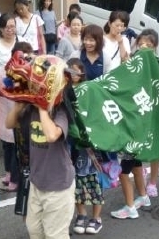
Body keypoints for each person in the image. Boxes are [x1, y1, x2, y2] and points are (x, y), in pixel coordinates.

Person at [5, 57, 75, 239]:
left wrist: (43, 108)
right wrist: (18, 106)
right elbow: (9, 124)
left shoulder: (60, 112)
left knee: (55, 235)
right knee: (34, 230)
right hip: (37, 182)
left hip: (59, 185)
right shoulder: (30, 111)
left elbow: (52, 135)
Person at [0, 13, 26, 192]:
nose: (11, 30)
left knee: (16, 135)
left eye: (13, 26)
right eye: (7, 27)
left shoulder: (21, 41)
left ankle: (15, 173)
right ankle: (9, 172)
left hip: (18, 93)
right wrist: (0, 78)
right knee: (5, 134)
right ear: (0, 28)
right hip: (2, 92)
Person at [66, 58, 104, 235]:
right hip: (70, 144)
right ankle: (80, 214)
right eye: (70, 70)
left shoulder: (90, 89)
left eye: (77, 71)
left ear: (82, 72)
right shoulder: (63, 90)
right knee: (75, 182)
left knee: (93, 181)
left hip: (90, 144)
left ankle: (96, 218)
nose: (74, 74)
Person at [133, 29, 159, 198]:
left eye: (148, 44)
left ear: (154, 46)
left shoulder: (158, 61)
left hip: (156, 107)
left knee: (155, 146)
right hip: (138, 106)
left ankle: (153, 182)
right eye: (142, 43)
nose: (144, 46)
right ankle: (140, 172)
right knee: (139, 144)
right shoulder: (133, 59)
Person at [110, 153, 151, 219]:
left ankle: (130, 208)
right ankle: (144, 198)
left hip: (128, 148)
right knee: (136, 167)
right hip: (135, 146)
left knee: (123, 174)